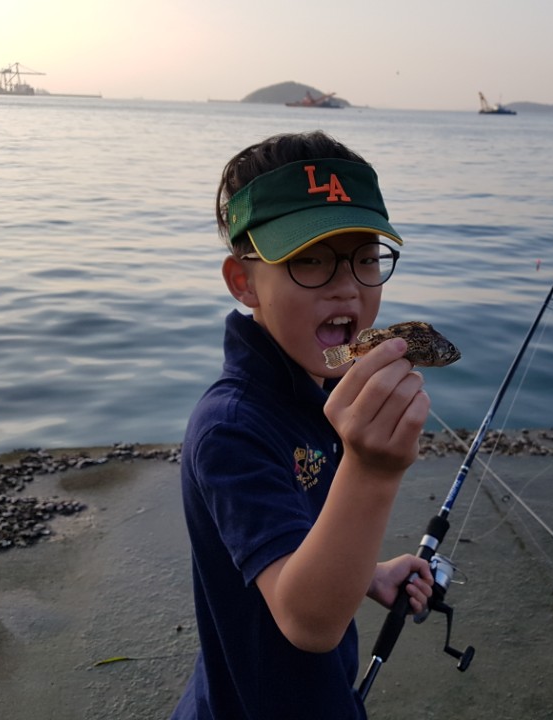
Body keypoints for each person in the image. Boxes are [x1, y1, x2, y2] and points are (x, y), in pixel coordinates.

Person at [171, 131, 435, 719]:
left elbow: (293, 533)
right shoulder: (230, 429)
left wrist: (367, 574)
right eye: (309, 260)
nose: (347, 286)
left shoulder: (320, 388)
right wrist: (372, 471)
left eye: (366, 258)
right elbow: (307, 621)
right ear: (244, 283)